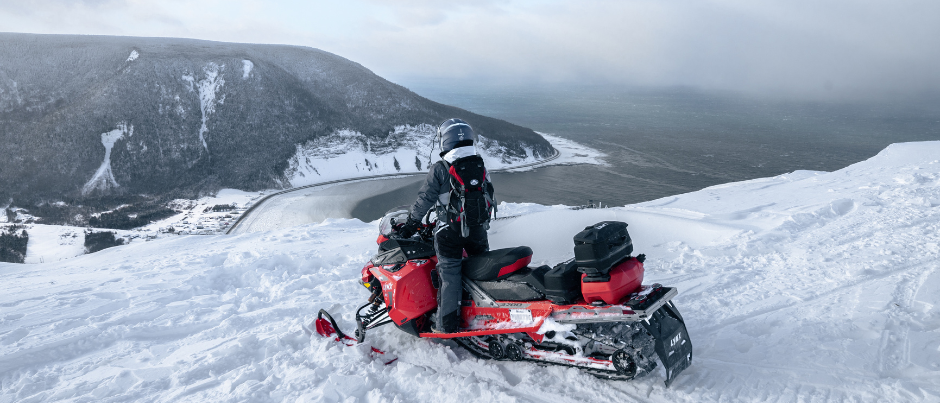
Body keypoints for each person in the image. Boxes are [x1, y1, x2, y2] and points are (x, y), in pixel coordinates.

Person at [398, 118, 495, 333]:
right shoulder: (479, 164)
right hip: (477, 228)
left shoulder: (441, 168)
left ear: (445, 141)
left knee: (450, 274)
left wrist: (412, 223)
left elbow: (425, 199)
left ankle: (446, 324)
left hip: (449, 232)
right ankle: (488, 315)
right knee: (480, 270)